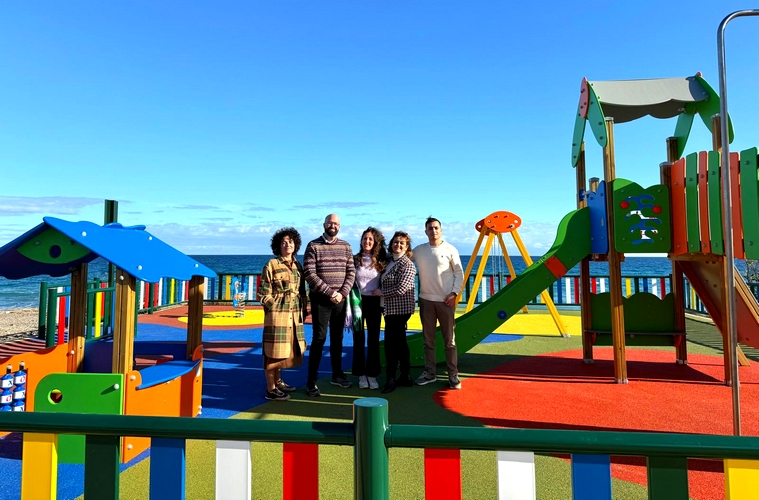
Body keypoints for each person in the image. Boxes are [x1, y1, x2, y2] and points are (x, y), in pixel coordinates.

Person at [303, 213, 355, 396]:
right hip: (321, 301)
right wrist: (330, 292)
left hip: (340, 300)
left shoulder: (346, 246)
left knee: (337, 339)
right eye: (330, 223)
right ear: (324, 224)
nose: (333, 226)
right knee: (319, 339)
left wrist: (342, 294)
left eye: (336, 223)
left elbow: (351, 272)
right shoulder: (313, 246)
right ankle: (311, 381)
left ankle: (337, 374)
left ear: (339, 226)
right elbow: (309, 273)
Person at [256, 227, 308, 401]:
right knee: (273, 352)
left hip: (294, 314)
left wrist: (304, 309)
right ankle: (270, 389)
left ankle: (278, 381)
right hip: (278, 314)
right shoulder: (272, 264)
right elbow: (263, 294)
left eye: (290, 242)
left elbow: (302, 291)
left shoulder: (298, 265)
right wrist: (274, 308)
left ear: (295, 244)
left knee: (285, 350)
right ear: (278, 246)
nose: (287, 245)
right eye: (284, 242)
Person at [413, 217, 465, 389]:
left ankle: (453, 375)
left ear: (441, 230)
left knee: (449, 341)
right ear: (425, 231)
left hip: (446, 302)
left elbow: (459, 273)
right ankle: (430, 373)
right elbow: (401, 259)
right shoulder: (419, 250)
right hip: (426, 301)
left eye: (436, 228)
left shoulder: (450, 249)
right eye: (430, 228)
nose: (433, 231)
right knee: (428, 341)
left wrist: (454, 293)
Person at [376, 231, 416, 394]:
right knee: (400, 342)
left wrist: (381, 293)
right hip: (388, 308)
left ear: (406, 247)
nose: (398, 245)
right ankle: (406, 375)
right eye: (395, 242)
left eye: (402, 243)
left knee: (391, 344)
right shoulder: (389, 261)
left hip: (400, 309)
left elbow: (401, 288)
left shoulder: (407, 264)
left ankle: (391, 378)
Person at [353, 227, 387, 390]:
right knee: (358, 338)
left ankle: (372, 374)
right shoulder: (354, 259)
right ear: (361, 241)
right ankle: (361, 374)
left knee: (373, 339)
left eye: (370, 239)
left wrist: (382, 291)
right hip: (357, 302)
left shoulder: (381, 260)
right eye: (365, 238)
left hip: (374, 302)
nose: (367, 241)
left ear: (375, 242)